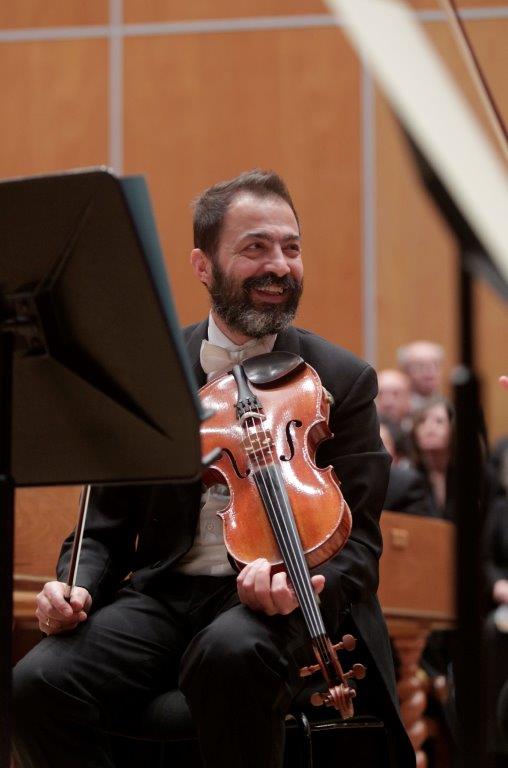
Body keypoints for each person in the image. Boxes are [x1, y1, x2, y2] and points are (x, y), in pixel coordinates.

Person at [12, 170, 414, 768]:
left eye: (291, 247)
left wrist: (297, 588)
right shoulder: (153, 368)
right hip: (166, 594)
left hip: (280, 601)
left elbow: (360, 545)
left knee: (228, 652)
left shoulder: (343, 378)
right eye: (256, 247)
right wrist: (77, 587)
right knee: (36, 681)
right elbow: (104, 528)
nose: (279, 265)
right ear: (203, 265)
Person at [397, 341, 444, 411]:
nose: (430, 372)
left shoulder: (447, 407)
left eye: (435, 365)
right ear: (405, 371)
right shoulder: (397, 408)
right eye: (421, 366)